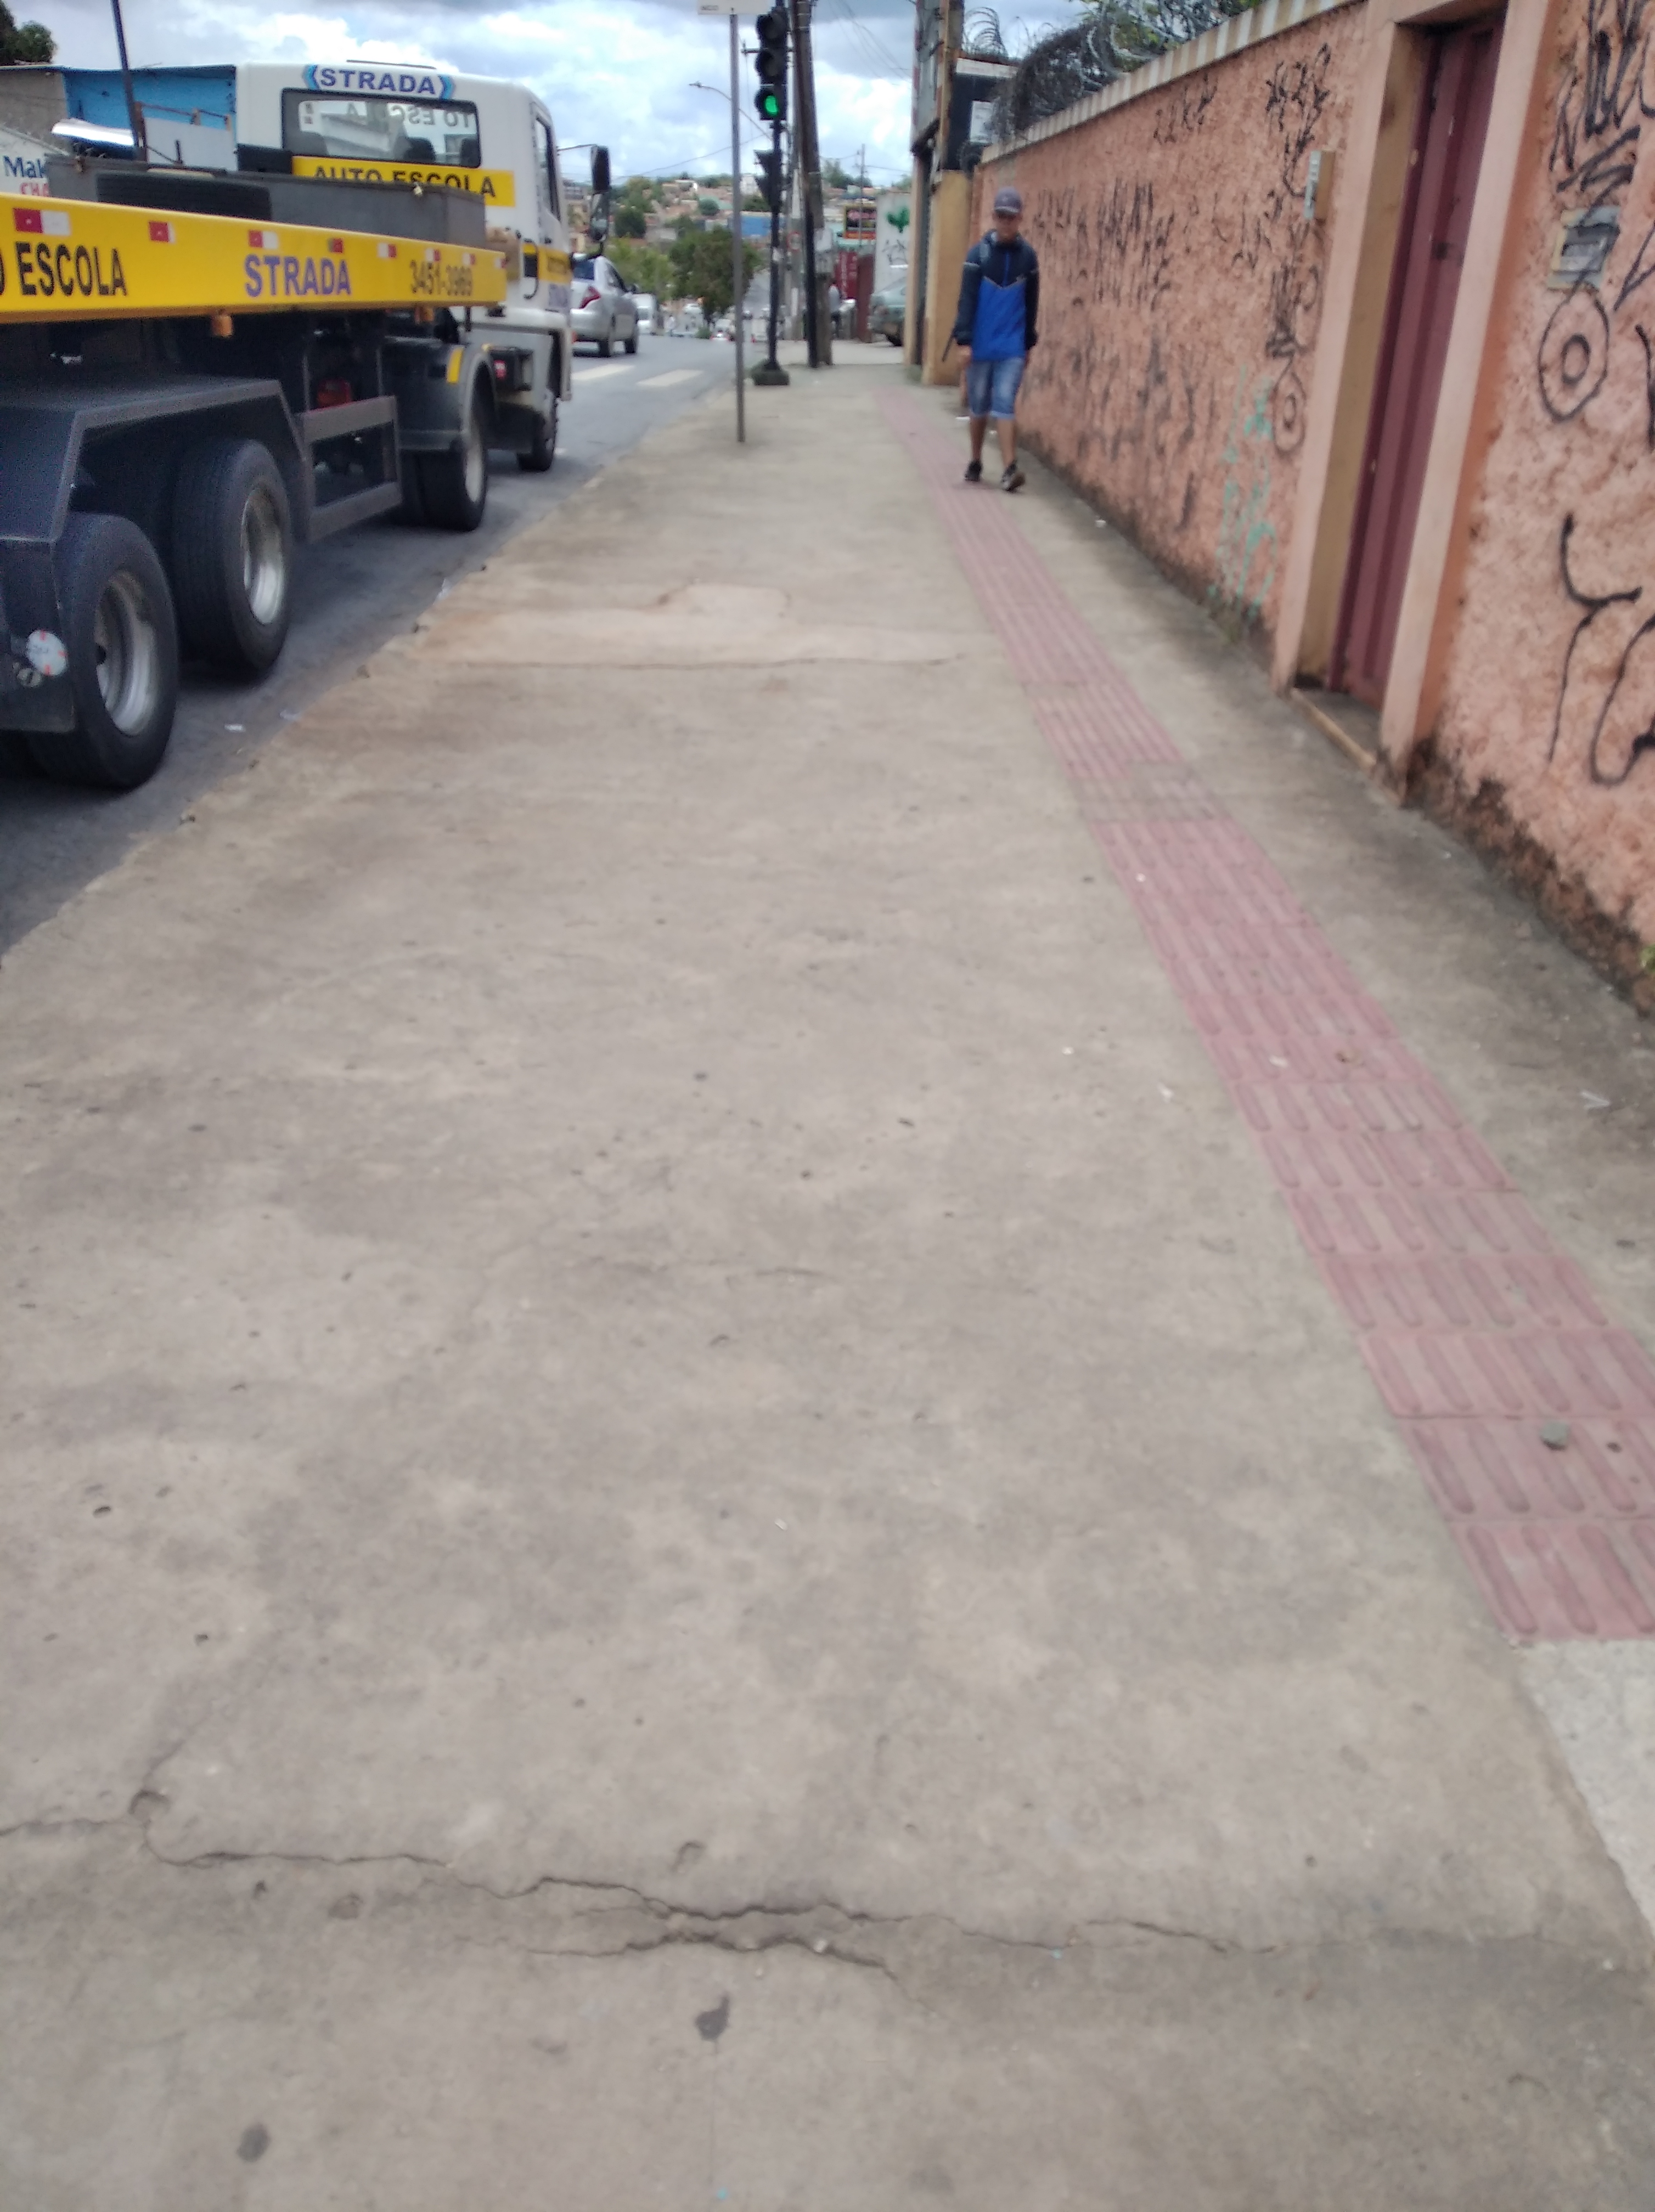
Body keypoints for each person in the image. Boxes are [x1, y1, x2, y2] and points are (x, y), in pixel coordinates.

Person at [953, 185, 1039, 493]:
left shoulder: (1028, 258)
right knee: (979, 405)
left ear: (1020, 219)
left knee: (1005, 401)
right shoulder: (977, 256)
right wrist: (964, 342)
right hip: (980, 346)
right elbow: (966, 301)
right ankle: (976, 460)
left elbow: (1032, 303)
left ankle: (1009, 468)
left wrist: (1028, 343)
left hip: (1011, 346)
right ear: (993, 217)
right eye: (1001, 216)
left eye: (1011, 217)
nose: (1006, 222)